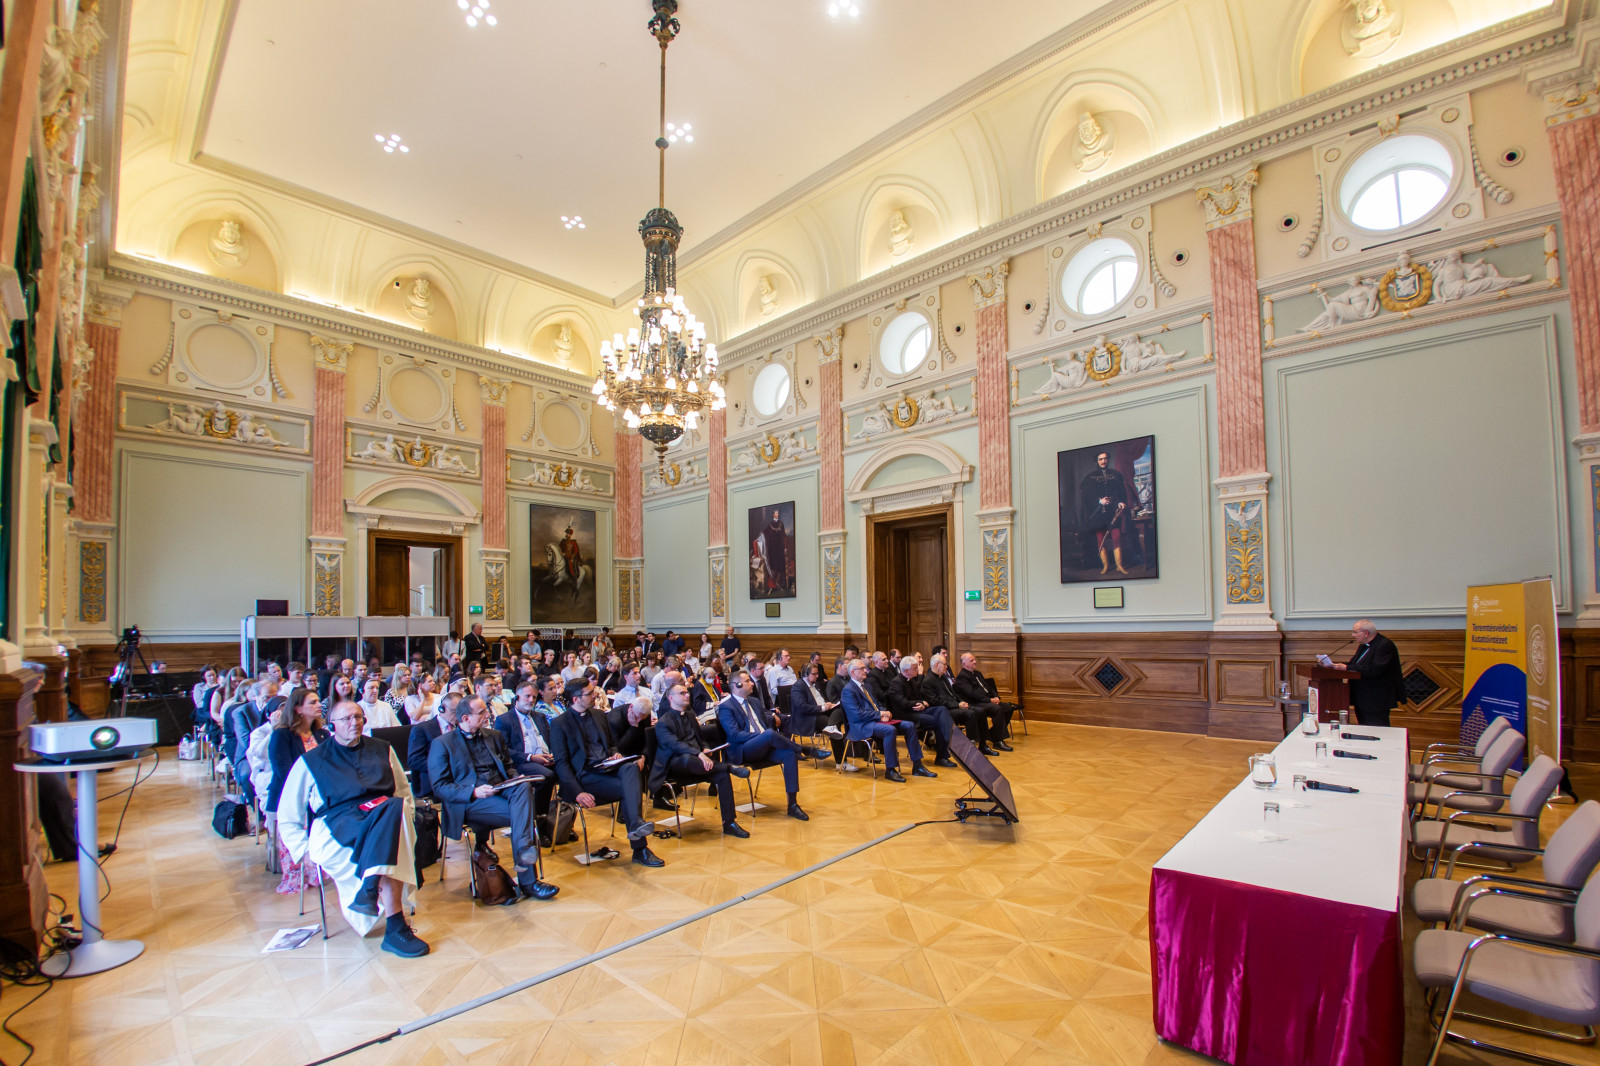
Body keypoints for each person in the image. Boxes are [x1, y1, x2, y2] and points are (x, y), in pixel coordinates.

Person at [276, 700, 428, 957]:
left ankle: (371, 892)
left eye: (358, 717)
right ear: (332, 725)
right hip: (339, 822)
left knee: (395, 807)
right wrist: (302, 851)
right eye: (346, 719)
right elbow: (288, 812)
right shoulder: (312, 760)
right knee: (392, 829)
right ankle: (395, 926)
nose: (354, 723)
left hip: (385, 814)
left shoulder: (382, 749)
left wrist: (406, 820)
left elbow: (403, 792)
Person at [428, 697, 558, 902]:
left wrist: (515, 778)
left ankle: (525, 862)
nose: (488, 715)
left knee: (523, 786)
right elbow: (440, 787)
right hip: (470, 800)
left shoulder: (494, 736)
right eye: (481, 712)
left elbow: (508, 767)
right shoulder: (442, 744)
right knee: (523, 815)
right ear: (465, 718)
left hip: (500, 789)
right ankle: (529, 880)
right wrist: (473, 792)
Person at [548, 680, 665, 867]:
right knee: (629, 788)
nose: (594, 695)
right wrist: (577, 792)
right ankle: (640, 848)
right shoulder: (559, 723)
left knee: (630, 767)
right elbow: (561, 764)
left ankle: (636, 826)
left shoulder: (599, 715)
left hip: (607, 768)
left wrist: (615, 754)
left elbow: (611, 745)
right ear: (576, 699)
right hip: (584, 776)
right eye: (589, 693)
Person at [655, 683, 751, 836]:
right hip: (676, 764)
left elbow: (701, 739)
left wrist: (705, 749)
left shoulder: (690, 716)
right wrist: (698, 753)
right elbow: (675, 745)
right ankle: (729, 767)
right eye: (682, 693)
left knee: (722, 776)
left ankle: (729, 822)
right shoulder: (662, 723)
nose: (687, 695)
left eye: (687, 692)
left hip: (700, 763)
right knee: (690, 759)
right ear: (671, 698)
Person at [715, 671, 810, 820]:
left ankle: (792, 805)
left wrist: (765, 735)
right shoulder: (726, 707)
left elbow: (765, 724)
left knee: (789, 754)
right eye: (747, 681)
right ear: (737, 685)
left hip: (763, 746)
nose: (752, 683)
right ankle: (804, 749)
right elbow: (735, 735)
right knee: (769, 734)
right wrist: (761, 736)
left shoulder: (754, 701)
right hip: (743, 750)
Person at [265, 689, 328, 894]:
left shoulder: (322, 734)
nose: (319, 705)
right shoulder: (282, 735)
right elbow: (283, 770)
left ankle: (316, 873)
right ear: (298, 709)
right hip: (289, 797)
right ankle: (296, 878)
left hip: (317, 797)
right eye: (313, 702)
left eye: (318, 701)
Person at [840, 658, 935, 783]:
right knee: (889, 730)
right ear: (853, 672)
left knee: (909, 725)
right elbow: (856, 714)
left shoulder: (867, 686)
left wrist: (885, 713)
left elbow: (878, 704)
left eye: (865, 668)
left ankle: (918, 766)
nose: (866, 670)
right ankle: (890, 770)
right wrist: (879, 715)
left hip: (875, 721)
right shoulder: (848, 690)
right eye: (862, 669)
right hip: (861, 725)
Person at [1333, 619, 1404, 727]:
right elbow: (1355, 664)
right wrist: (1334, 666)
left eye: (1355, 632)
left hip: (1376, 699)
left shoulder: (1384, 645)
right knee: (1364, 729)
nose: (1353, 635)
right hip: (1361, 698)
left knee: (1377, 730)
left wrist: (1346, 667)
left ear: (1366, 633)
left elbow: (1375, 669)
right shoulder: (1363, 645)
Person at [887, 658, 957, 767]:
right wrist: (919, 703)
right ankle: (943, 755)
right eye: (915, 668)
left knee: (941, 709)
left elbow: (920, 697)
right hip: (904, 714)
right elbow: (903, 703)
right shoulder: (896, 682)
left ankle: (952, 739)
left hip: (916, 710)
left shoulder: (911, 680)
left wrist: (923, 704)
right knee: (937, 721)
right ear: (906, 670)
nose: (918, 670)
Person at [924, 654, 998, 756]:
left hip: (955, 705)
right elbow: (936, 701)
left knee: (981, 711)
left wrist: (962, 702)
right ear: (936, 664)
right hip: (945, 710)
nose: (946, 667)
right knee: (970, 713)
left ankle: (983, 745)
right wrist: (957, 705)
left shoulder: (943, 677)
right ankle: (970, 747)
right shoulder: (928, 681)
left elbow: (953, 694)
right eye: (944, 664)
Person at [1080, 450, 1132, 575]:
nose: (1103, 461)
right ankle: (1106, 566)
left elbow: (1122, 492)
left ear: (1108, 459)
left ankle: (1119, 566)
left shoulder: (1116, 475)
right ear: (1096, 461)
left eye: (1105, 458)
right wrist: (1099, 501)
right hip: (1098, 514)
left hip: (1113, 513)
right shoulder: (1089, 478)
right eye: (1100, 459)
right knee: (1100, 540)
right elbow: (1086, 497)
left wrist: (1121, 502)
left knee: (1116, 538)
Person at [954, 654, 1017, 750]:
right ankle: (998, 741)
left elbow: (988, 688)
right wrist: (990, 700)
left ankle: (993, 734)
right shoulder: (962, 677)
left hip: (986, 700)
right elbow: (972, 694)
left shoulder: (977, 673)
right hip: (975, 703)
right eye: (971, 661)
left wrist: (996, 697)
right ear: (964, 664)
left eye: (974, 660)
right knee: (997, 709)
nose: (975, 662)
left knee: (1008, 707)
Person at [407, 693, 461, 797]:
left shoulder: (462, 728)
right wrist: (445, 766)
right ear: (442, 709)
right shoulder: (422, 729)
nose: (458, 715)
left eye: (461, 711)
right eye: (454, 711)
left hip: (460, 779)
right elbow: (414, 760)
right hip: (434, 779)